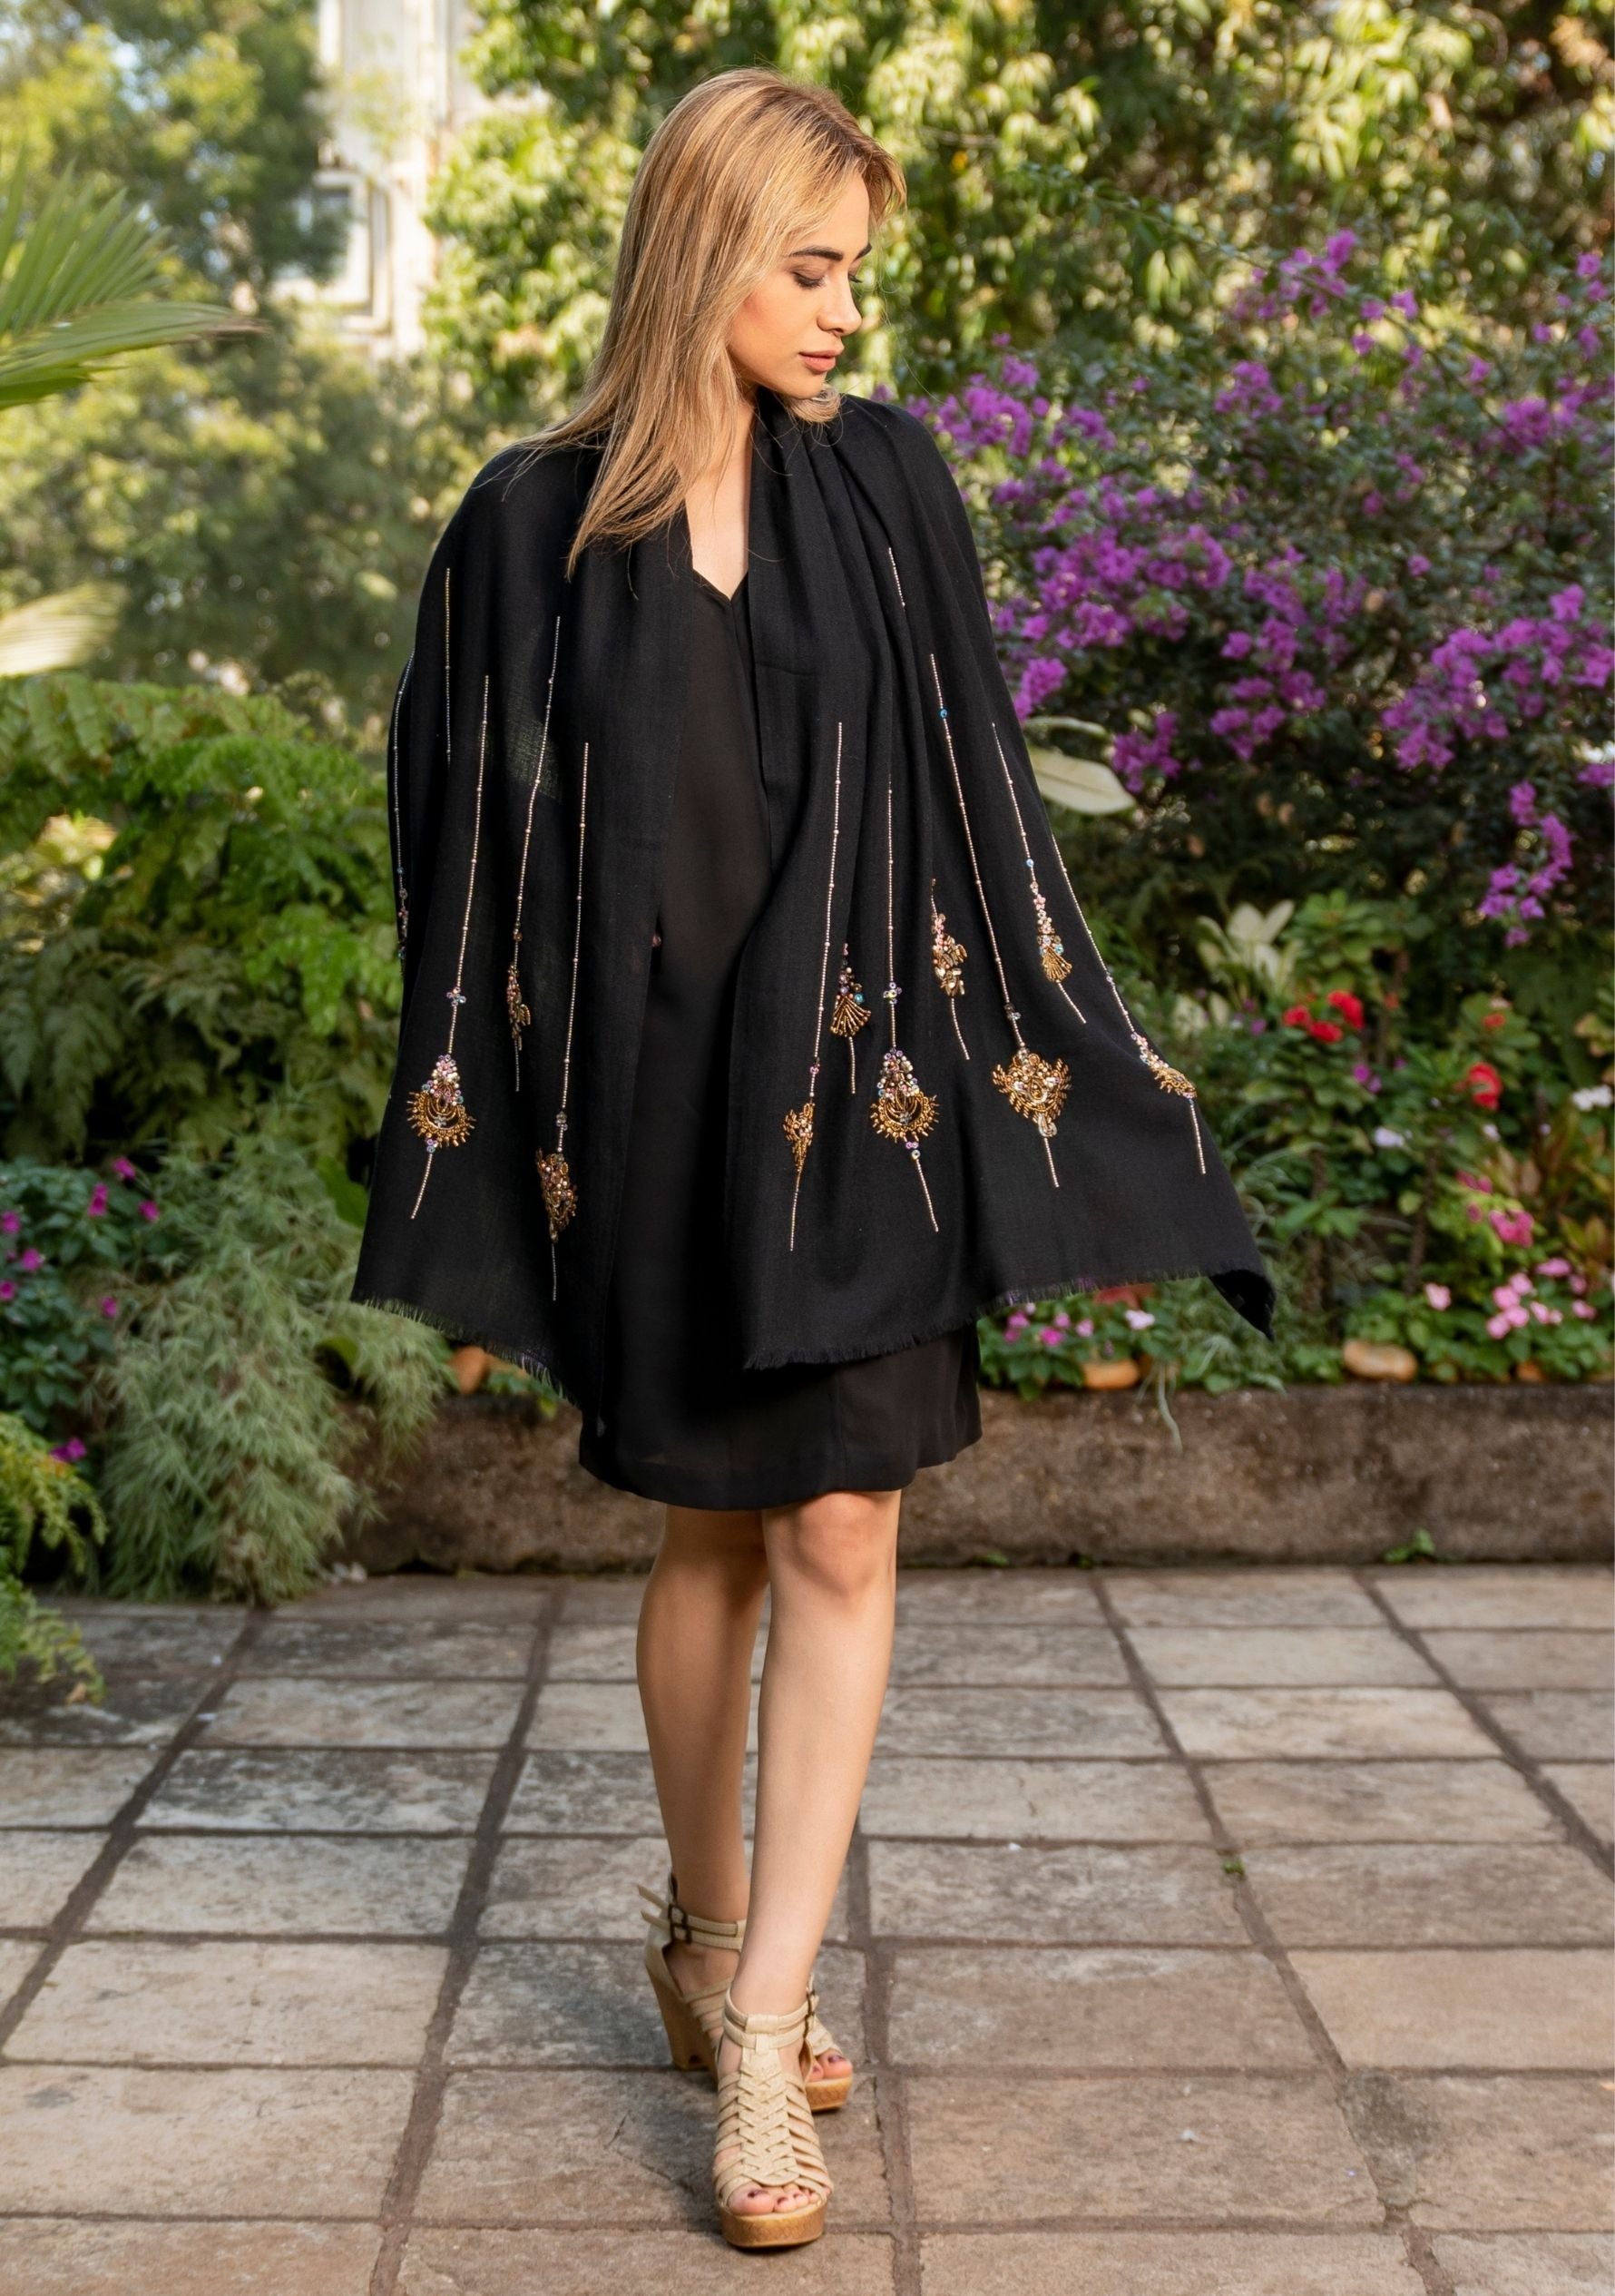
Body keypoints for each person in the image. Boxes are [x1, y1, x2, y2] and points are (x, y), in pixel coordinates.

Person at [353, 65, 1275, 2254]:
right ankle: (696, 1920)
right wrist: (497, 1142)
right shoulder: (529, 518)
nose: (846, 311)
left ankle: (766, 2015)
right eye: (810, 266)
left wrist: (1029, 1075)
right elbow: (449, 832)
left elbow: (978, 796)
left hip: (853, 1091)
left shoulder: (890, 489)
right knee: (709, 1544)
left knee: (845, 1518)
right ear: (706, 255)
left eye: (856, 271)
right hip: (647, 1114)